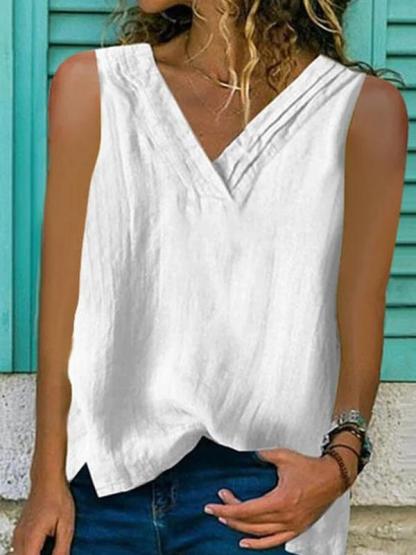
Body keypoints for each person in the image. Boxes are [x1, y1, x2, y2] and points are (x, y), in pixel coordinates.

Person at [10, 1, 408, 554]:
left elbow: (361, 309)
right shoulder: (95, 88)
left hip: (267, 495)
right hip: (98, 490)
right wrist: (45, 479)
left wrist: (338, 466)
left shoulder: (359, 111)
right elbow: (62, 305)